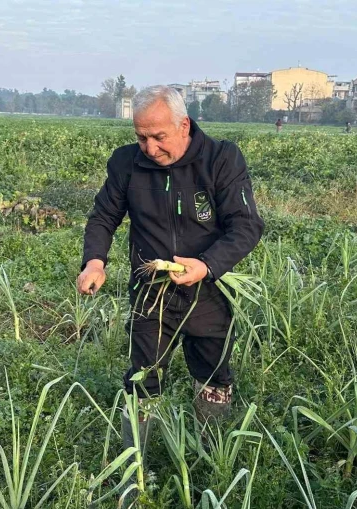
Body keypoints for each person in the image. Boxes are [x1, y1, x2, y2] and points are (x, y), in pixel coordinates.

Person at [76, 85, 264, 484]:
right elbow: (103, 216)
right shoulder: (126, 164)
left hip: (209, 290)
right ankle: (133, 471)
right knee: (142, 378)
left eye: (158, 137)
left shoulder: (220, 159)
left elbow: (246, 225)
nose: (148, 147)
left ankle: (211, 460)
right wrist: (94, 260)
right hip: (151, 291)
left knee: (213, 376)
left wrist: (207, 265)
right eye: (141, 136)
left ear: (183, 125)